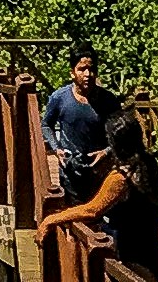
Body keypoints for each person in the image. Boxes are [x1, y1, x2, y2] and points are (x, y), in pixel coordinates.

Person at [31, 104, 158, 277]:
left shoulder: (121, 177)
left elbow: (92, 210)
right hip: (152, 254)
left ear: (113, 142)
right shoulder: (149, 164)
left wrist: (51, 219)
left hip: (131, 259)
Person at [41, 50, 114, 202]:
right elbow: (46, 125)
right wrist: (56, 149)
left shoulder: (108, 100)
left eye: (91, 69)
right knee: (73, 214)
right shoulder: (59, 98)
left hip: (99, 169)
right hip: (70, 168)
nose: (87, 74)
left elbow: (120, 133)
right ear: (72, 73)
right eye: (81, 69)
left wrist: (106, 152)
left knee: (98, 214)